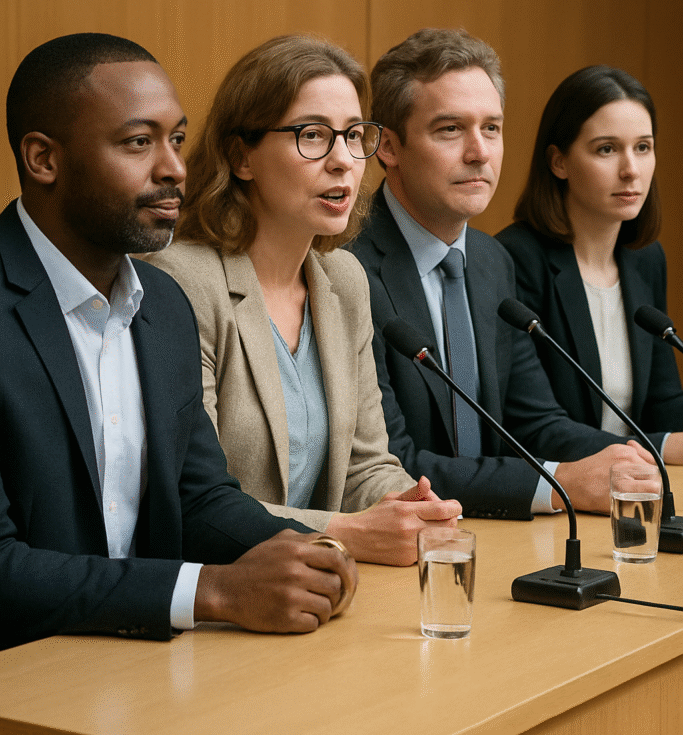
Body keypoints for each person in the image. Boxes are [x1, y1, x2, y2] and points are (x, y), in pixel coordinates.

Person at [1, 32, 358, 652]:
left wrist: (305, 553)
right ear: (43, 159)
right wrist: (212, 593)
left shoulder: (162, 304)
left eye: (177, 139)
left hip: (138, 674)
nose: (174, 169)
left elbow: (198, 497)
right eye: (139, 143)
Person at [149, 34, 461, 565]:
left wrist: (409, 505)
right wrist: (350, 532)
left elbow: (366, 464)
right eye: (313, 135)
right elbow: (195, 500)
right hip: (220, 595)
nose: (344, 162)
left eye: (354, 136)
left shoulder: (343, 280)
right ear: (240, 155)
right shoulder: (179, 281)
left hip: (315, 585)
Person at [349, 28, 654, 520]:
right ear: (388, 147)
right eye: (450, 129)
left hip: (491, 536)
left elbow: (535, 421)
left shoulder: (492, 261)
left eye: (491, 128)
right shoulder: (349, 271)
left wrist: (637, 460)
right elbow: (392, 463)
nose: (480, 152)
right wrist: (556, 486)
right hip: (403, 540)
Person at [496, 64, 683, 461]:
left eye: (643, 147)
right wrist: (660, 447)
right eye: (607, 149)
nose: (631, 169)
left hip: (635, 486)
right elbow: (535, 427)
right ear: (558, 161)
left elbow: (665, 406)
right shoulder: (515, 259)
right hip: (562, 493)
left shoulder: (644, 259)